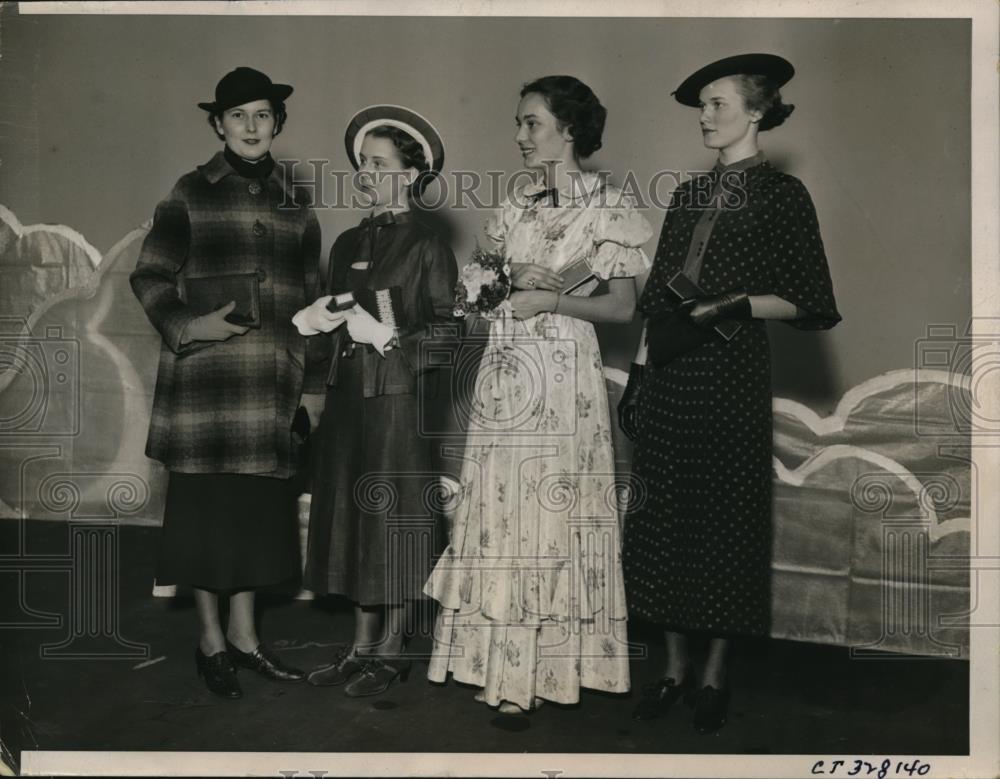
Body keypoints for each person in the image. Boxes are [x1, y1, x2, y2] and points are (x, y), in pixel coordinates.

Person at [619, 53, 841, 733]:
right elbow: (656, 297)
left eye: (719, 104)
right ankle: (671, 665)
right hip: (668, 374)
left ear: (758, 108)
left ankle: (715, 672)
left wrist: (731, 306)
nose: (707, 117)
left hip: (730, 372)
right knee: (662, 519)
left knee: (724, 520)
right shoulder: (686, 195)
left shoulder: (783, 196)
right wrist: (637, 374)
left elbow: (811, 300)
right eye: (703, 106)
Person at [424, 75, 653, 714]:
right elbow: (471, 291)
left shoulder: (608, 208)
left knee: (546, 515)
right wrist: (501, 278)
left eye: (532, 123)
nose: (521, 136)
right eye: (520, 123)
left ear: (569, 129)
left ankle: (533, 680)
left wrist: (552, 297)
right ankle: (489, 663)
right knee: (502, 506)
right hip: (505, 373)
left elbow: (622, 308)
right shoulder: (517, 204)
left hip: (562, 382)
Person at [131, 66, 321, 699]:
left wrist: (311, 387)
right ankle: (210, 641)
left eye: (262, 115)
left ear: (277, 125)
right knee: (206, 521)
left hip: (272, 389)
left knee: (255, 519)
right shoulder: (189, 192)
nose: (251, 126)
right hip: (207, 391)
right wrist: (189, 326)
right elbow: (150, 276)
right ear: (218, 125)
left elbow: (316, 302)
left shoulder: (297, 201)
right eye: (237, 116)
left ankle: (244, 636)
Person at [294, 105, 458, 698]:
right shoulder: (345, 243)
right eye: (363, 163)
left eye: (380, 163)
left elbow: (451, 331)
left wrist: (390, 337)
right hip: (346, 398)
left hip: (397, 401)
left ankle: (393, 646)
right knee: (350, 517)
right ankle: (361, 644)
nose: (366, 172)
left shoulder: (428, 247)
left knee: (395, 519)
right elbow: (334, 314)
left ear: (411, 174)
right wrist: (316, 325)